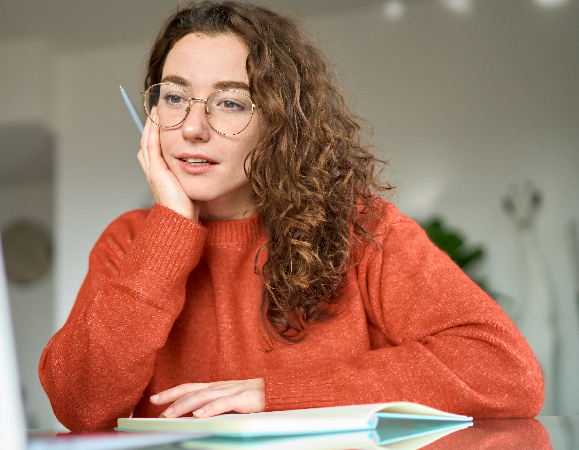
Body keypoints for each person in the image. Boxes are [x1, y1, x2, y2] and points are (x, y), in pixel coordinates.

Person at [39, 1, 543, 431]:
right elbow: (80, 406)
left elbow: (505, 370)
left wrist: (275, 395)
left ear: (279, 122)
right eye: (174, 97)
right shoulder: (130, 241)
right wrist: (172, 226)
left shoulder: (362, 228)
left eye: (230, 103)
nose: (192, 127)